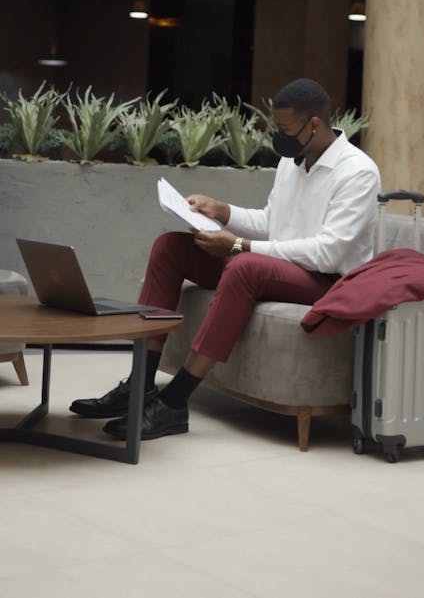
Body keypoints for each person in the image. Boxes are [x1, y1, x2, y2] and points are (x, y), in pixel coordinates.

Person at [70, 78, 381, 440]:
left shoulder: (357, 172)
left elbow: (329, 252)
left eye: (285, 129)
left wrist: (239, 247)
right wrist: (221, 210)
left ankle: (174, 402)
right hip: (280, 268)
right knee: (171, 247)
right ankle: (139, 384)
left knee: (243, 265)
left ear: (314, 123)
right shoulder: (293, 160)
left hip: (325, 281)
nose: (278, 136)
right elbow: (271, 222)